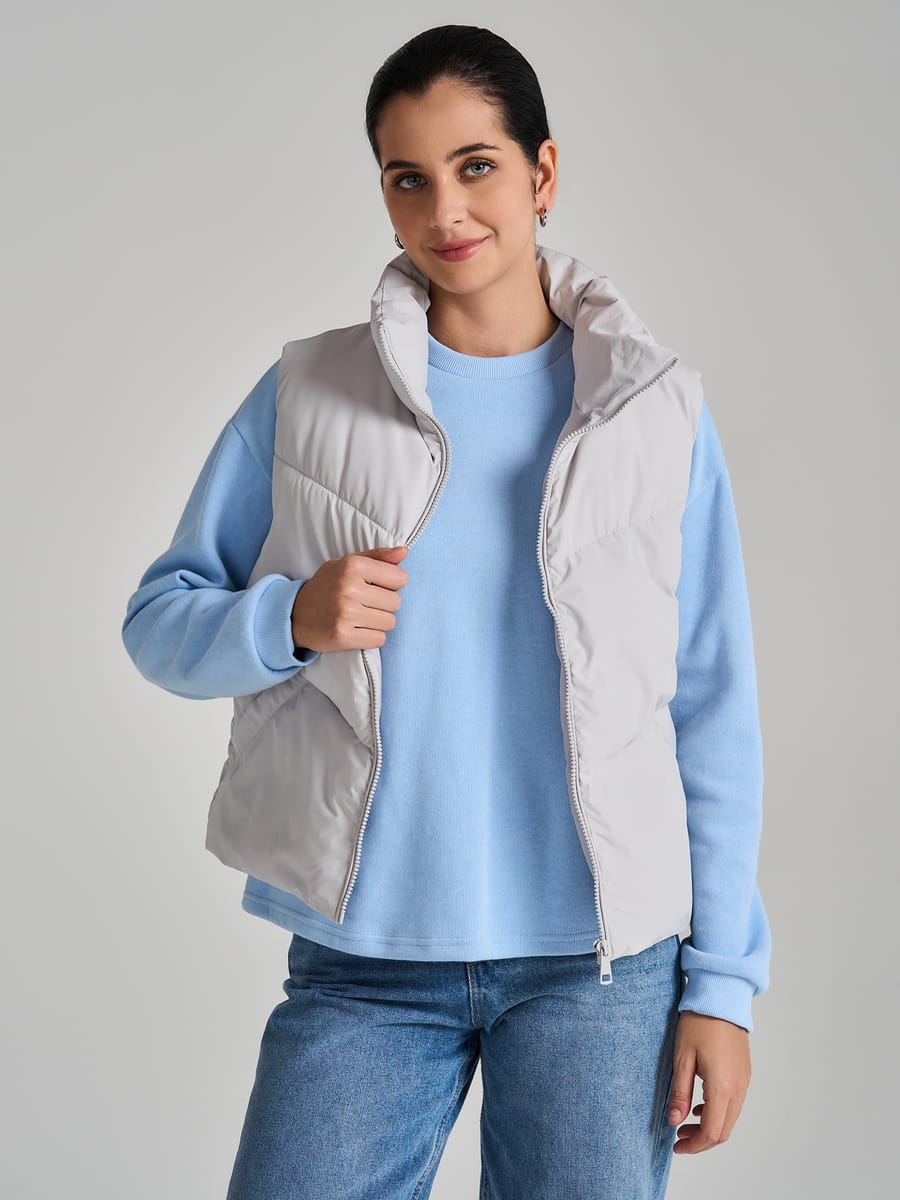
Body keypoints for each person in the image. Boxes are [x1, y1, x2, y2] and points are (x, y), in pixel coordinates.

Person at [121, 23, 771, 1200]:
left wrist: (722, 987)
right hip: (365, 959)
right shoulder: (310, 392)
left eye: (476, 166)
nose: (445, 210)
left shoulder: (655, 411)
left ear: (542, 172)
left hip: (600, 966)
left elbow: (713, 706)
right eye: (407, 178)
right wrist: (290, 619)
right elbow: (160, 620)